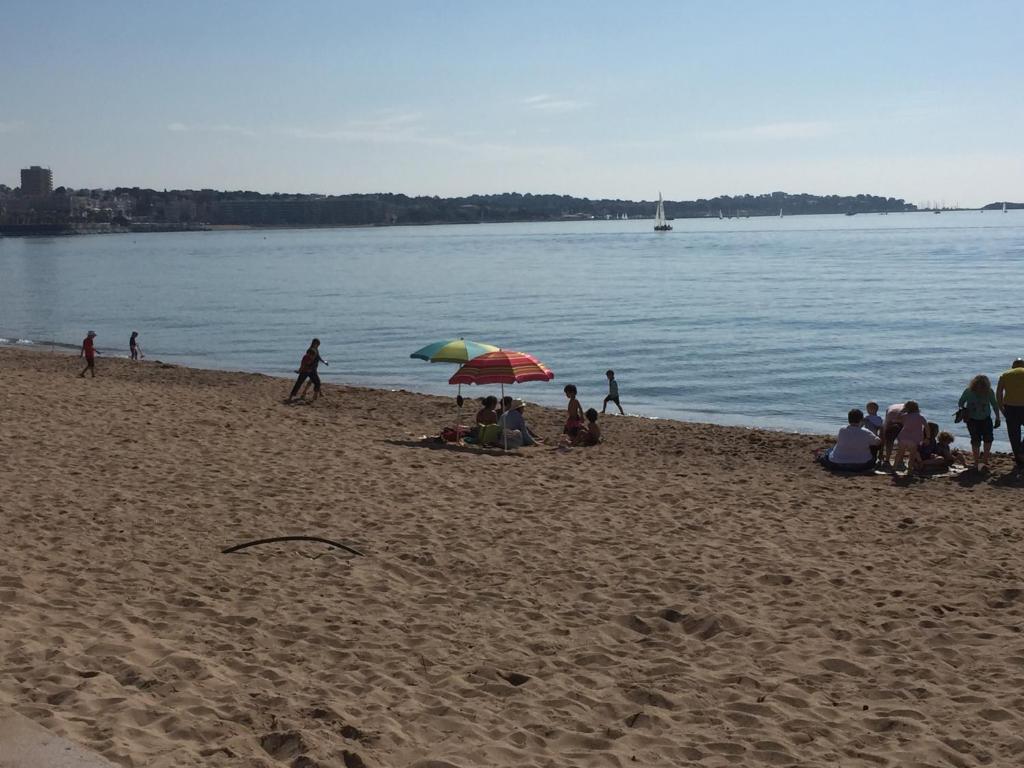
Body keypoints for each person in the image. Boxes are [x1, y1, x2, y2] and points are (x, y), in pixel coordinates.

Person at [958, 374, 1000, 470]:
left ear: (986, 385)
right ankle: (976, 461)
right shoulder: (968, 391)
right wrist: (964, 411)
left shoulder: (989, 392)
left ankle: (985, 460)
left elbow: (995, 405)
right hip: (972, 420)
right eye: (978, 385)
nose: (980, 388)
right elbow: (960, 403)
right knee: (975, 440)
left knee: (988, 439)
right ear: (974, 385)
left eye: (982, 385)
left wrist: (998, 418)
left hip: (986, 418)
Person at [996, 359, 1024, 469]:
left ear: (1013, 366)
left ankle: (1018, 458)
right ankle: (1022, 450)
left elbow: (999, 394)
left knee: (1014, 434)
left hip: (1010, 408)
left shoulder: (1005, 375)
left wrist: (1001, 408)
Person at [891, 400, 928, 473]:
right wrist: (927, 437)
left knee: (900, 453)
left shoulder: (904, 416)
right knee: (912, 455)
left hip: (903, 436)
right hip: (914, 438)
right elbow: (927, 427)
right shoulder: (920, 417)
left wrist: (902, 411)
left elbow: (895, 420)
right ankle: (909, 469)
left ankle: (894, 467)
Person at [880, 402, 907, 466]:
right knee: (898, 441)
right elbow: (884, 433)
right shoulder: (889, 419)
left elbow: (883, 435)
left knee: (898, 441)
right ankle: (897, 460)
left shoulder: (907, 417)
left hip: (899, 414)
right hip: (892, 414)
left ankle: (889, 460)